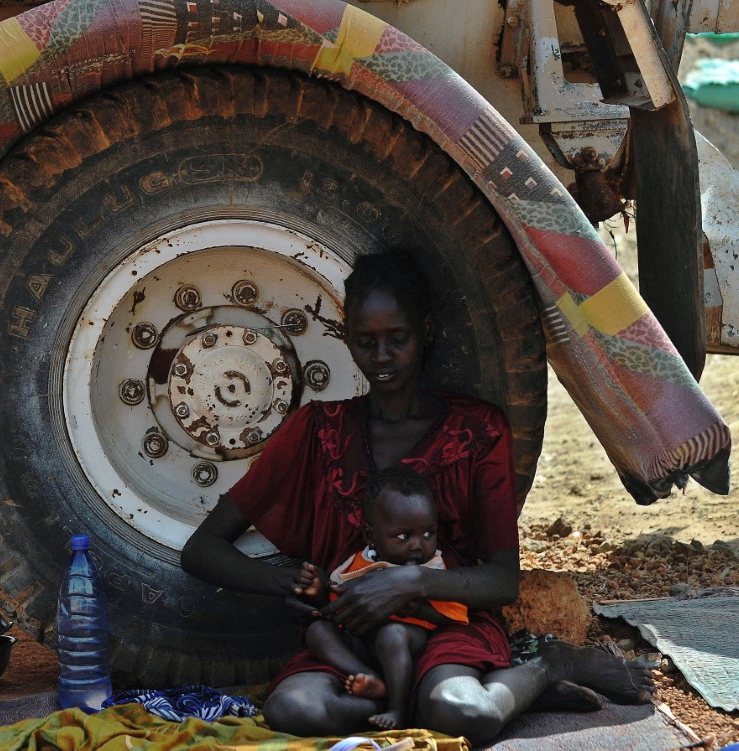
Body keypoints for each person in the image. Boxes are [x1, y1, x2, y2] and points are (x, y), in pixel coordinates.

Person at [180, 252, 654, 744]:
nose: (381, 356)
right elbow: (202, 550)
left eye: (397, 339)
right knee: (294, 709)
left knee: (462, 715)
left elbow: (501, 580)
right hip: (351, 639)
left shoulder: (476, 430)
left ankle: (548, 666)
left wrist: (409, 583)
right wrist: (289, 584)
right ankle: (464, 695)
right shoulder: (317, 430)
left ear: (426, 331)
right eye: (366, 341)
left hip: (447, 626)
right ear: (347, 338)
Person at [294, 464, 470, 729]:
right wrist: (320, 593)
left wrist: (416, 608)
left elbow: (455, 615)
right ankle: (370, 677)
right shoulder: (358, 563)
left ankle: (397, 708)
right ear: (370, 536)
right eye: (403, 536)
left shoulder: (431, 567)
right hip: (362, 644)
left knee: (392, 634)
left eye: (428, 533)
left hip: (407, 643)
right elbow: (337, 605)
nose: (418, 545)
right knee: (317, 631)